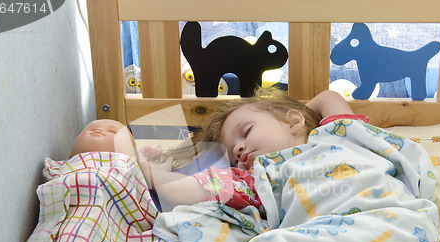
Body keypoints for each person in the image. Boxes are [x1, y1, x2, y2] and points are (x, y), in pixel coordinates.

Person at [141, 87, 369, 209]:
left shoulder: (337, 137)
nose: (238, 150)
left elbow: (328, 97)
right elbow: (180, 190)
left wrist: (295, 121)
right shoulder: (257, 181)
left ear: (294, 121)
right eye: (232, 156)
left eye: (247, 131)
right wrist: (152, 171)